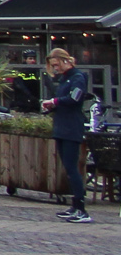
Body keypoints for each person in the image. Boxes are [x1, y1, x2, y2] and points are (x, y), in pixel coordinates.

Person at [47, 48, 93, 222]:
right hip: (62, 125)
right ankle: (75, 206)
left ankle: (81, 208)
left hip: (71, 127)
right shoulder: (65, 78)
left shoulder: (77, 77)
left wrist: (55, 101)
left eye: (57, 65)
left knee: (72, 168)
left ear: (65, 60)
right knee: (67, 167)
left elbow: (75, 98)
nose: (55, 69)